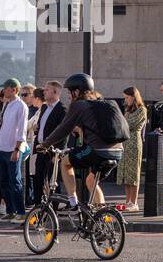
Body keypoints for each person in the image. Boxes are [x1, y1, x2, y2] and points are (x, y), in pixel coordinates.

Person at [38, 73, 123, 207]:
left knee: (65, 163)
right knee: (91, 180)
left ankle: (72, 201)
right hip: (117, 151)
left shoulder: (79, 105)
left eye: (70, 92)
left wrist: (44, 144)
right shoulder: (102, 102)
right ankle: (102, 216)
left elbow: (63, 129)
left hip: (97, 150)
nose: (69, 95)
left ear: (77, 91)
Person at [0, 78, 29, 222]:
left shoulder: (21, 106)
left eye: (6, 88)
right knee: (3, 181)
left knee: (15, 181)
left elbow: (22, 130)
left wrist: (17, 149)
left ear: (14, 89)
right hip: (2, 147)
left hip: (13, 149)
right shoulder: (7, 104)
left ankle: (21, 212)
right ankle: (10, 210)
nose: (4, 91)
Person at [33, 81, 66, 203]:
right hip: (41, 149)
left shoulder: (62, 109)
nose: (44, 92)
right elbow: (43, 127)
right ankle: (38, 210)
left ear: (55, 92)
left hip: (53, 152)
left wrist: (58, 154)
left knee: (53, 182)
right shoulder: (44, 107)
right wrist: (38, 130)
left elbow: (63, 133)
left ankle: (54, 211)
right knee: (38, 180)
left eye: (47, 90)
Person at [118, 86, 147, 211]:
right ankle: (128, 201)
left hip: (134, 143)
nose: (126, 100)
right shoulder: (128, 110)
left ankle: (134, 202)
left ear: (133, 97)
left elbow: (128, 125)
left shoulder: (142, 110)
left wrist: (121, 123)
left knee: (134, 173)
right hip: (125, 144)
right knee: (126, 174)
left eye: (127, 97)